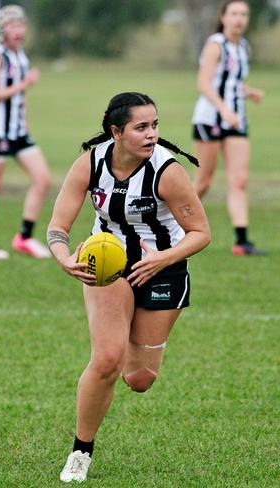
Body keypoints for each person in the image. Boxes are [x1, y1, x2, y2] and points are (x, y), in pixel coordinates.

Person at [47, 92, 211, 483]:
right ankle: (80, 452)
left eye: (155, 125)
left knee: (139, 379)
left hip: (163, 268)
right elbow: (57, 226)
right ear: (115, 132)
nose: (151, 134)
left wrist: (162, 259)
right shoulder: (90, 163)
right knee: (106, 359)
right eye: (141, 127)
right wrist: (64, 258)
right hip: (108, 265)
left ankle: (141, 346)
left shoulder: (167, 172)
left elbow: (201, 233)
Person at [0, 5, 51, 260]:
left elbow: (21, 97)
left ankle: (24, 237)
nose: (17, 30)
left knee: (42, 179)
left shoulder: (21, 56)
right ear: (2, 28)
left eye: (21, 25)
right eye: (12, 25)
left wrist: (25, 122)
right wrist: (24, 83)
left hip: (18, 132)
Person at [191, 0, 266, 256]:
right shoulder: (216, 45)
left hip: (236, 120)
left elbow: (231, 82)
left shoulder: (244, 46)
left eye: (244, 14)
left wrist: (249, 92)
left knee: (239, 180)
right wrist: (223, 109)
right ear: (223, 17)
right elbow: (204, 83)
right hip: (210, 119)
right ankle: (169, 225)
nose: (239, 18)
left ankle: (241, 241)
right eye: (234, 13)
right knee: (203, 182)